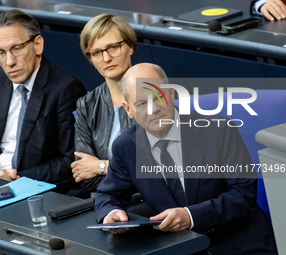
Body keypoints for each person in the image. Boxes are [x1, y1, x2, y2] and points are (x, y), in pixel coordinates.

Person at [94, 63, 277, 254]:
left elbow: (243, 195)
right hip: (182, 248)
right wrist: (111, 213)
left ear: (172, 94)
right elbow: (108, 195)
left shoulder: (219, 129)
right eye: (141, 103)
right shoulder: (126, 147)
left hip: (240, 243)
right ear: (128, 110)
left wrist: (191, 216)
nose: (153, 109)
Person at [0, 9, 86, 184]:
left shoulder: (65, 89)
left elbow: (69, 160)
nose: (9, 62)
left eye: (16, 49)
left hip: (36, 186)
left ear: (38, 44)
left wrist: (19, 181)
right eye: (1, 53)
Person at [71, 14, 136, 193]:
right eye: (97, 52)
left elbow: (156, 172)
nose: (106, 58)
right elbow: (85, 177)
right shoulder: (86, 105)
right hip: (104, 201)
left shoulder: (152, 95)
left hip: (150, 204)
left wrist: (101, 166)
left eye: (113, 47)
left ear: (130, 46)